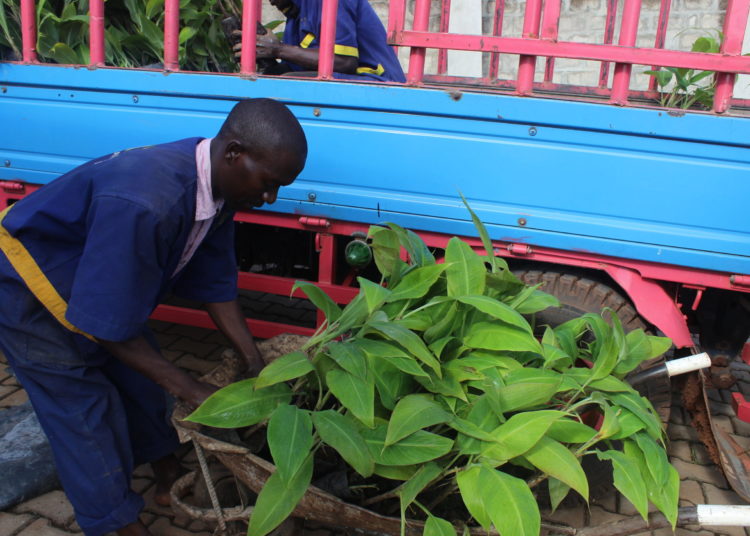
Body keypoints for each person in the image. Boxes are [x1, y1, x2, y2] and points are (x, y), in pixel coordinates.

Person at [0, 98, 308, 536]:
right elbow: (105, 324)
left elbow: (216, 284)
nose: (270, 197)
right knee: (86, 414)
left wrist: (255, 363)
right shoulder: (148, 200)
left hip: (98, 283)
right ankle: (116, 523)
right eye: (268, 183)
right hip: (30, 285)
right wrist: (191, 387)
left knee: (145, 387)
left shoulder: (218, 188)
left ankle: (168, 478)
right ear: (235, 153)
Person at [235, 0, 406, 83]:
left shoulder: (331, 3)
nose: (271, 2)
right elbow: (297, 67)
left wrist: (278, 49)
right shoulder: (296, 14)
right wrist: (263, 58)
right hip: (349, 84)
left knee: (291, 83)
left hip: (380, 86)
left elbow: (345, 62)